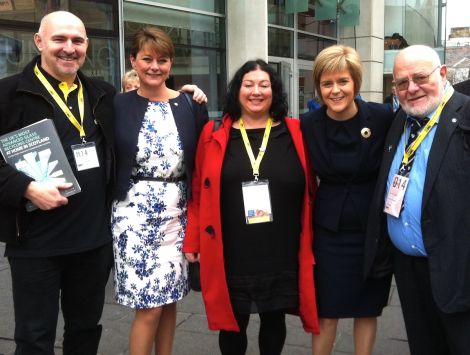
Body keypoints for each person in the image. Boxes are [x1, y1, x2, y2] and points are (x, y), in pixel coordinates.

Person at [183, 59, 319, 355]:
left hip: (281, 249)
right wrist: (192, 238)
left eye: (264, 85)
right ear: (237, 90)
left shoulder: (296, 132)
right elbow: (196, 192)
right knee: (232, 325)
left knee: (275, 318)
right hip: (231, 249)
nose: (256, 91)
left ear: (275, 91)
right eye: (248, 85)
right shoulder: (213, 133)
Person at [0, 11, 115, 354]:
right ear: (39, 42)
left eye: (77, 41)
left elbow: (146, 106)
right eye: (59, 40)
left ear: (87, 46)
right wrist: (25, 187)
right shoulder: (8, 94)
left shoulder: (103, 94)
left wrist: (186, 95)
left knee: (84, 332)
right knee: (35, 339)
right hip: (36, 244)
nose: (69, 48)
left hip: (93, 243)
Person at [364, 44, 470, 355]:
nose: (411, 88)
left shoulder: (466, 116)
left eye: (420, 77)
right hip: (408, 270)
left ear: (443, 73)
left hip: (457, 270)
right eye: (401, 82)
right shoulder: (401, 119)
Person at [111, 26, 208, 355]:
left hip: (177, 213)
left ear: (171, 63)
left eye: (162, 60)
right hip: (134, 215)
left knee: (168, 300)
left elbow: (201, 163)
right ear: (133, 61)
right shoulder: (117, 106)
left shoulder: (190, 105)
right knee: (148, 306)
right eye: (147, 59)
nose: (155, 66)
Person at [300, 45, 393, 355]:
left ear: (356, 83)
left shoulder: (381, 117)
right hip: (328, 231)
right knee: (327, 310)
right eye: (327, 83)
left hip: (373, 229)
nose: (335, 90)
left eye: (343, 81)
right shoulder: (308, 125)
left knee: (367, 308)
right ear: (318, 87)